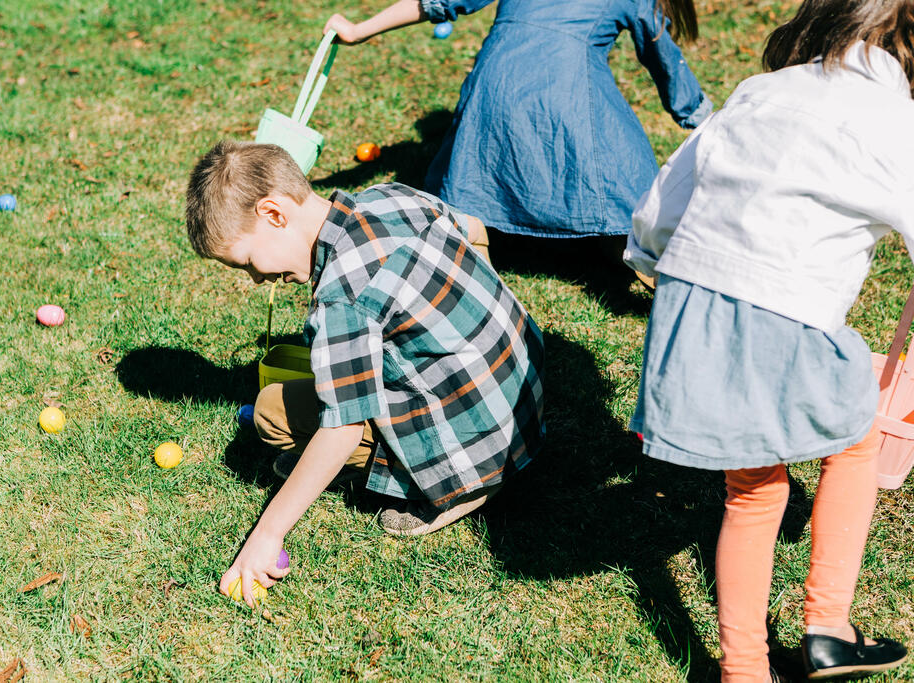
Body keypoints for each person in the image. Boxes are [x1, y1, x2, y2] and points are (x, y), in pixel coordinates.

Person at [623, 0, 914, 679]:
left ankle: (745, 669)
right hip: (784, 306)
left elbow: (658, 212)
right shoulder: (896, 121)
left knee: (752, 489)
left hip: (690, 304)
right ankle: (828, 627)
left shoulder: (761, 91)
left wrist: (652, 260)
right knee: (857, 438)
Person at [185, 140, 544, 606]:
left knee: (272, 413)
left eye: (249, 263)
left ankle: (459, 493)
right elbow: (475, 229)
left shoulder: (340, 297)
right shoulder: (389, 196)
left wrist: (265, 536)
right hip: (524, 395)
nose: (256, 279)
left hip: (481, 446)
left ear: (274, 214)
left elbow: (344, 427)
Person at [323, 0, 711, 242]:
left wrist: (358, 30)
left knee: (476, 167)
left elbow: (435, 2)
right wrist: (701, 117)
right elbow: (665, 61)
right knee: (634, 179)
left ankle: (477, 229)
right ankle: (635, 246)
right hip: (567, 96)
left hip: (493, 90)